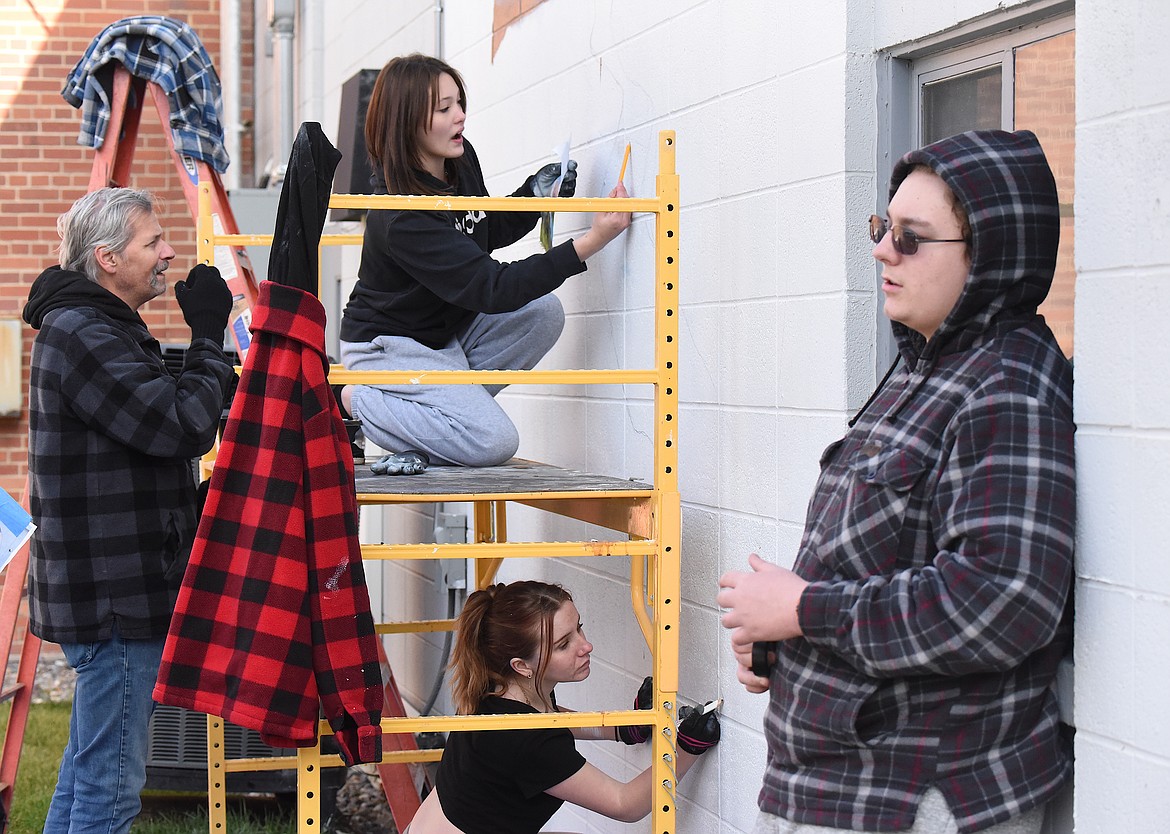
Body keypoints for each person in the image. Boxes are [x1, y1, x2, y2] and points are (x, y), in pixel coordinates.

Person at [717, 130, 1075, 834]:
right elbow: (884, 556)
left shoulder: (1006, 389)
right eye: (883, 227)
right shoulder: (926, 366)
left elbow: (1002, 600)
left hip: (912, 796)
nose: (883, 250)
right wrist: (782, 636)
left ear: (986, 258)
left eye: (913, 237)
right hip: (840, 782)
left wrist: (803, 611)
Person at [22, 187, 235, 833]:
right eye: (153, 242)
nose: (169, 253)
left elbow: (145, 435)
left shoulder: (97, 327)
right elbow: (179, 425)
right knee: (111, 790)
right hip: (115, 597)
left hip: (116, 589)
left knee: (90, 775)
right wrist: (208, 336)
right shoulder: (82, 332)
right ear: (109, 259)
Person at [335, 53, 632, 467]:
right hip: (389, 346)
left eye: (460, 103)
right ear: (406, 123)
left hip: (446, 331)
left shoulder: (458, 159)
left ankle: (437, 424)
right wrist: (592, 241)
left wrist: (533, 195)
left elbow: (482, 230)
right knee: (494, 442)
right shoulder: (401, 215)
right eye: (444, 109)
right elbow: (493, 288)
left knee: (543, 313)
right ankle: (354, 399)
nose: (460, 117)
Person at [405, 580, 720, 833]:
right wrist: (685, 750)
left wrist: (622, 729)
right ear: (522, 665)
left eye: (578, 628)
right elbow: (625, 804)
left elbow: (550, 720)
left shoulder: (500, 687)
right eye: (563, 644)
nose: (586, 646)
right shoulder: (524, 740)